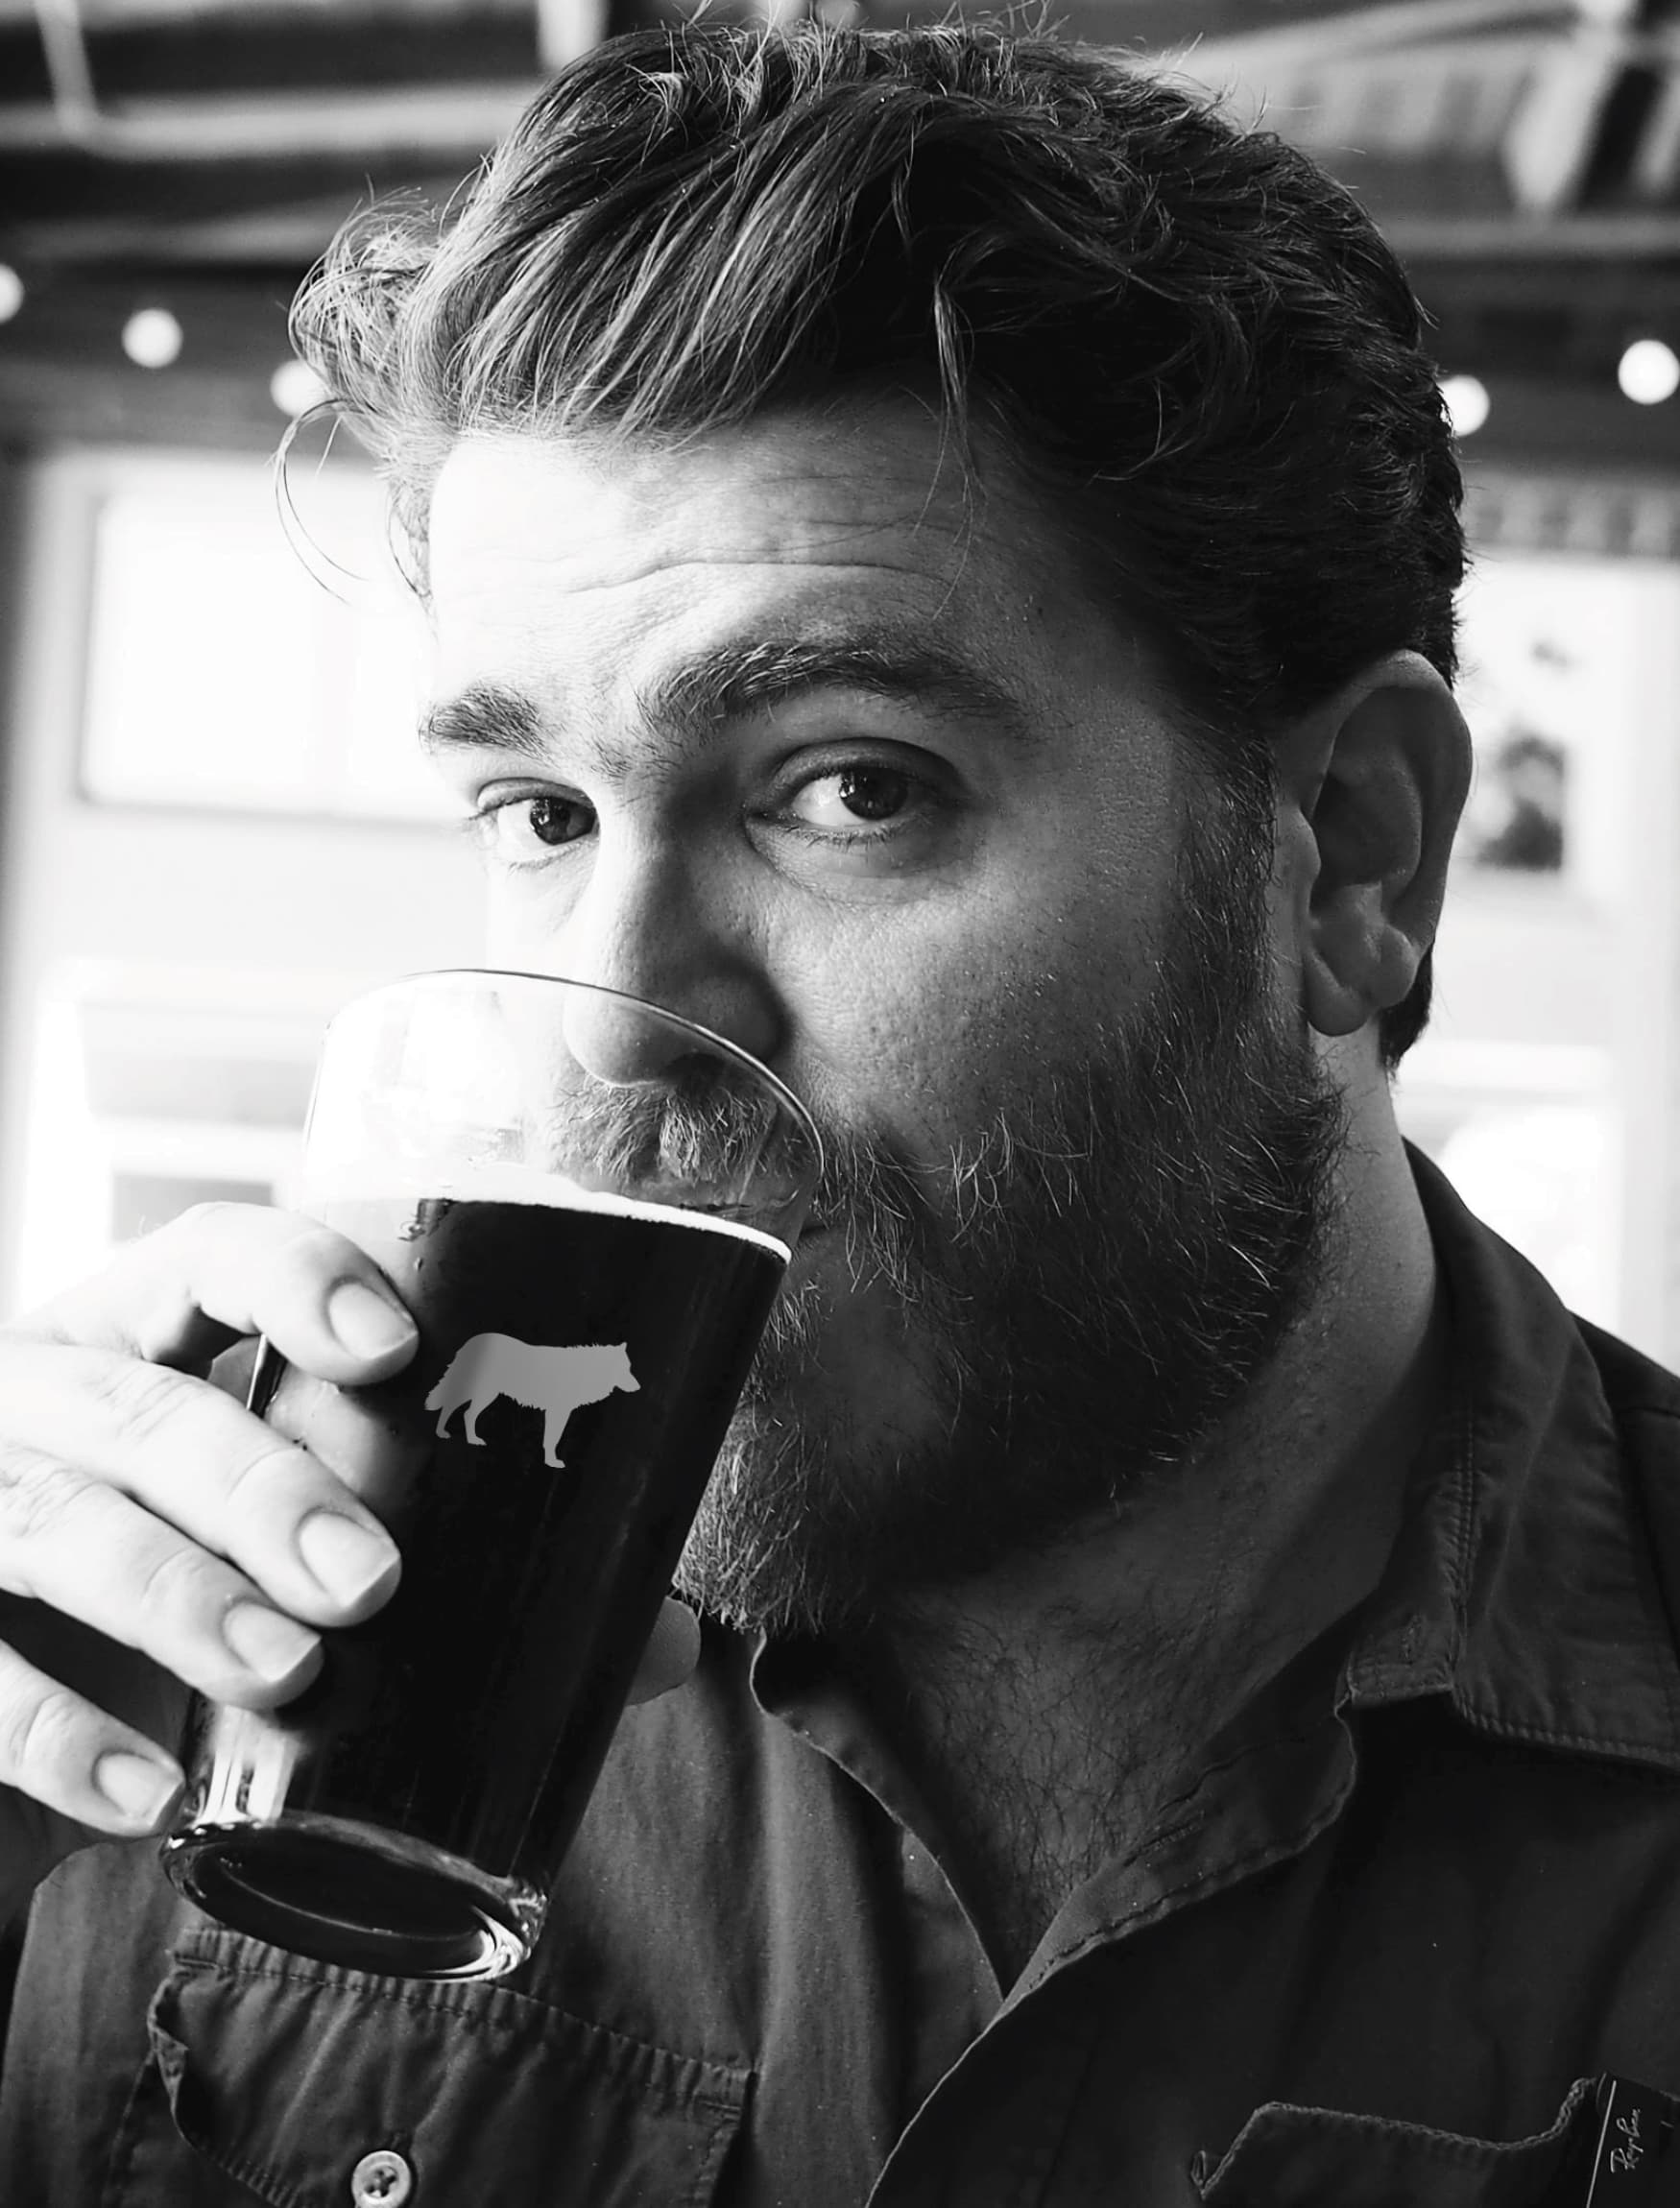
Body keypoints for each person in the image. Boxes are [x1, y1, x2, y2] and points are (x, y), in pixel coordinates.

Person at [2, 20, 1678, 2203]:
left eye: (848, 786)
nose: (603, 1031)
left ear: (1345, 858)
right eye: (533, 804)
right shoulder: (206, 1684)